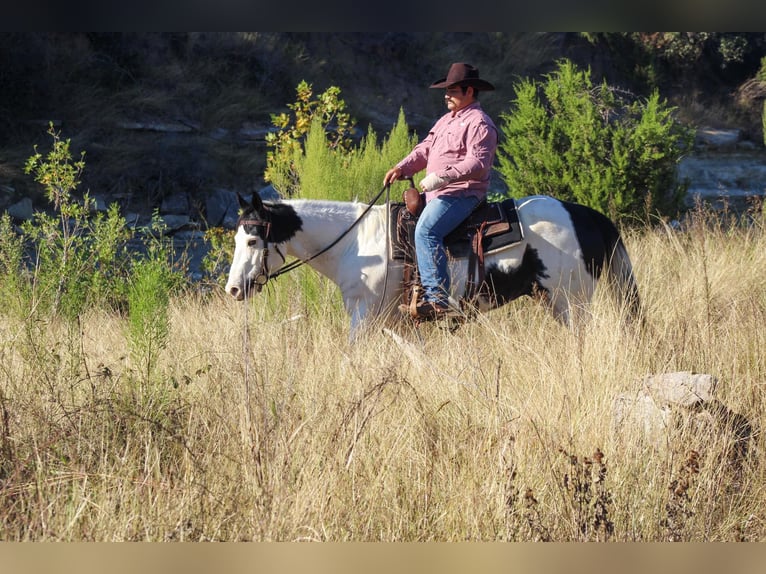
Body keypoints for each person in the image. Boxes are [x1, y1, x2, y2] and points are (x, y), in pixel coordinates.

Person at [383, 62, 499, 320]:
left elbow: (479, 163)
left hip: (462, 193)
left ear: (470, 91)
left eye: (453, 90)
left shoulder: (480, 123)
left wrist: (442, 177)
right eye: (446, 90)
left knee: (426, 231)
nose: (447, 95)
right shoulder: (446, 120)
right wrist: (401, 168)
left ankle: (437, 300)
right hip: (440, 193)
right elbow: (424, 150)